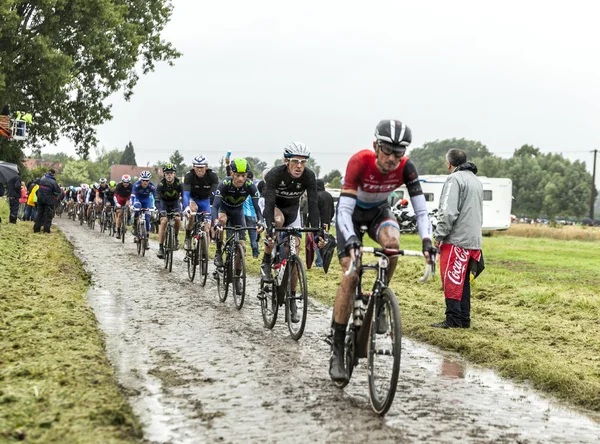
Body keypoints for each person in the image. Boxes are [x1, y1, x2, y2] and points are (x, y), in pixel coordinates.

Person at [329, 119, 436, 382]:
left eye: (398, 153)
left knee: (392, 245)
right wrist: (352, 239)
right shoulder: (359, 162)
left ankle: (378, 303)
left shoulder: (406, 167)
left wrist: (427, 242)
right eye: (387, 150)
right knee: (351, 275)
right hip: (350, 216)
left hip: (378, 213)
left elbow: (421, 211)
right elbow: (343, 209)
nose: (391, 158)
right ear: (376, 145)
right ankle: (337, 346)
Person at [260, 142, 322, 323]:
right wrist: (270, 225)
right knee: (277, 223)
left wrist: (318, 231)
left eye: (303, 162)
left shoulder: (309, 176)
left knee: (295, 248)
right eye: (295, 161)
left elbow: (313, 204)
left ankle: (292, 299)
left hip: (293, 211)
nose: (300, 166)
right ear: (287, 161)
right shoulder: (275, 174)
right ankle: (266, 259)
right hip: (274, 207)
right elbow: (269, 202)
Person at [432, 149, 484, 329]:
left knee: (452, 278)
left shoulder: (454, 179)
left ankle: (453, 320)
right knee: (463, 280)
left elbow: (448, 211)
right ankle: (464, 319)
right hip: (473, 239)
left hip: (456, 239)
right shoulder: (476, 180)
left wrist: (439, 235)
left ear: (449, 163)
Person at [211, 158, 263, 294]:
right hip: (224, 209)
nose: (241, 179)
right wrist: (215, 221)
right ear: (232, 174)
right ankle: (218, 251)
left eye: (244, 176)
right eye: (238, 175)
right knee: (221, 220)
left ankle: (238, 278)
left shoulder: (250, 186)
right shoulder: (225, 183)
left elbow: (258, 208)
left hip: (238, 212)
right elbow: (215, 206)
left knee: (242, 246)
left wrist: (260, 221)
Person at [182, 155, 219, 251]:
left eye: (201, 167)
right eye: (197, 167)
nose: (199, 169)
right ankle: (187, 237)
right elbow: (185, 193)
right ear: (193, 167)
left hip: (205, 201)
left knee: (206, 229)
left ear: (206, 167)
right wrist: (186, 207)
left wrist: (215, 207)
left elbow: (215, 194)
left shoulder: (212, 175)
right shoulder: (189, 175)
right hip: (193, 199)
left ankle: (203, 254)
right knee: (193, 212)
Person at [156, 163, 183, 259]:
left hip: (175, 203)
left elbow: (184, 197)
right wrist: (160, 210)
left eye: (171, 173)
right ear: (164, 174)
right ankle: (161, 247)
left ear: (174, 174)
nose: (169, 175)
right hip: (164, 203)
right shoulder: (161, 184)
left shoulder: (179, 183)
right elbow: (157, 200)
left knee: (178, 219)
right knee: (163, 221)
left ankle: (175, 238)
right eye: (167, 173)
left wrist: (183, 209)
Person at [130, 171, 156, 247]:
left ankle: (146, 240)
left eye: (147, 180)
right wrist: (131, 204)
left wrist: (155, 206)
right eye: (143, 180)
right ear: (141, 180)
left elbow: (156, 197)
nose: (145, 182)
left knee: (147, 219)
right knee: (137, 208)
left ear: (149, 180)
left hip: (146, 201)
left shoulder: (152, 186)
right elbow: (132, 196)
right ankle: (135, 225)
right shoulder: (136, 185)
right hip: (138, 200)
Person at [315, 179, 335, 267]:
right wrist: (329, 219)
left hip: (319, 221)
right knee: (325, 239)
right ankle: (324, 259)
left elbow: (314, 211)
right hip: (327, 223)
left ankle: (319, 261)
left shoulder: (317, 196)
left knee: (318, 240)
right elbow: (333, 210)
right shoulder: (329, 195)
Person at [33, 169, 61, 233]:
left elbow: (35, 182)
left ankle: (36, 229)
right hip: (49, 201)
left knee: (39, 214)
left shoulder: (42, 179)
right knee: (48, 216)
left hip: (40, 199)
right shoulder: (53, 182)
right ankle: (46, 230)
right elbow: (58, 192)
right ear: (53, 174)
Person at [243, 170, 260, 258]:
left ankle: (242, 250)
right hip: (251, 215)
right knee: (253, 236)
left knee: (241, 234)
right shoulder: (254, 190)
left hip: (242, 215)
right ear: (252, 179)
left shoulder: (242, 189)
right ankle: (255, 254)